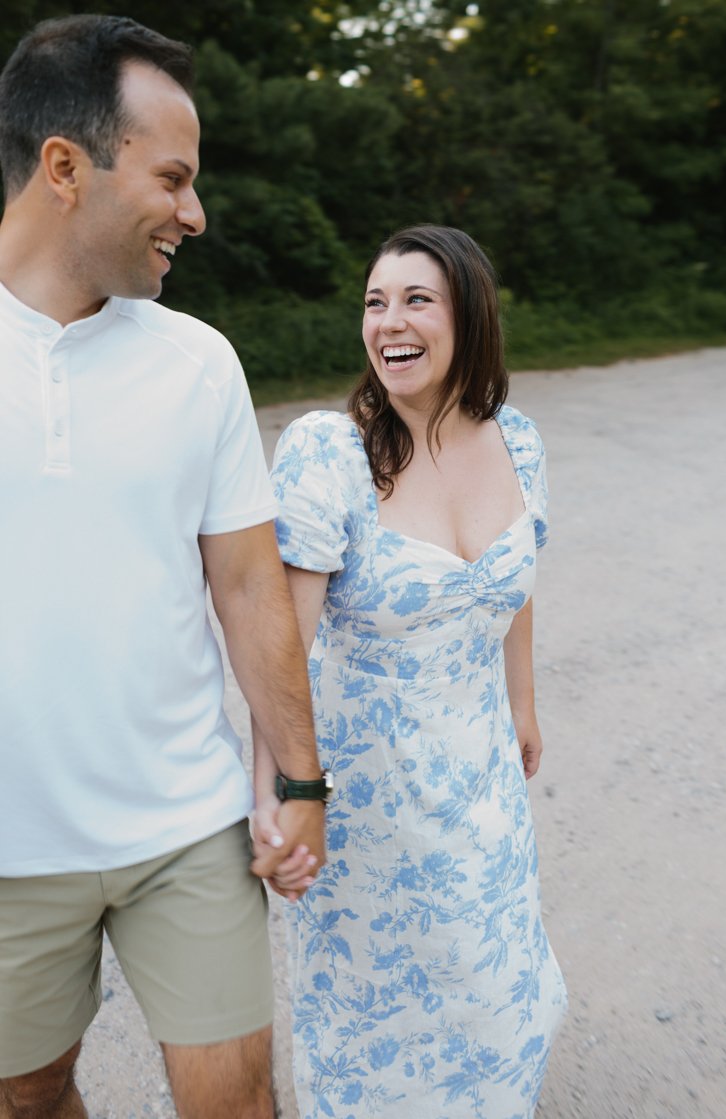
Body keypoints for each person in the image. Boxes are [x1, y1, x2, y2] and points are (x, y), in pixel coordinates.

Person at [0, 15, 325, 1119]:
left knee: (238, 1105)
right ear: (64, 166)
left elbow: (247, 586)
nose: (196, 213)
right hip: (8, 851)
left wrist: (299, 777)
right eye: (174, 178)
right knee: (29, 1096)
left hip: (183, 831)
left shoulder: (198, 363)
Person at [253, 224, 567, 1118]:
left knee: (496, 1002)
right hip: (370, 803)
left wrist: (523, 705)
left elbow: (517, 579)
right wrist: (276, 789)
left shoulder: (520, 441)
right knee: (382, 1030)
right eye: (375, 302)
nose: (390, 320)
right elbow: (278, 642)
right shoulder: (330, 453)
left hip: (484, 783)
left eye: (416, 299)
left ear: (469, 314)